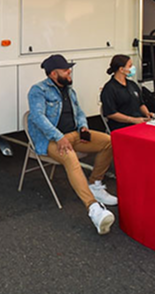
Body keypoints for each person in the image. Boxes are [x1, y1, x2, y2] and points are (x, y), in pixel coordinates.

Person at [27, 54, 117, 235]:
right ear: (53, 74)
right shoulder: (38, 90)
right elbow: (37, 117)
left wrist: (83, 127)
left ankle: (95, 184)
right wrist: (59, 137)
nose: (70, 72)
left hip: (74, 135)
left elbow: (80, 112)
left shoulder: (69, 90)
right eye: (66, 69)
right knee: (70, 157)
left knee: (109, 142)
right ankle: (94, 209)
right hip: (52, 140)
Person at [101, 54, 155, 131]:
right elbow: (111, 113)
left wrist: (147, 114)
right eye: (130, 66)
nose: (132, 68)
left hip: (139, 123)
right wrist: (132, 120)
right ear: (121, 69)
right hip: (122, 127)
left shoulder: (132, 84)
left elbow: (140, 104)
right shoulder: (109, 89)